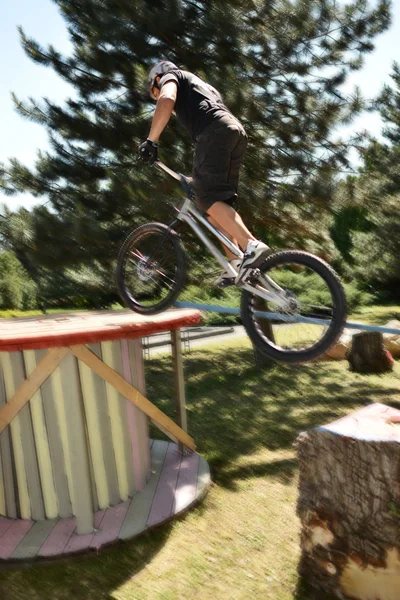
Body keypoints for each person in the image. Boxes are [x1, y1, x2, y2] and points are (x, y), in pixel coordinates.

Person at [138, 60, 269, 286]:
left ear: (158, 79)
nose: (156, 97)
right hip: (234, 132)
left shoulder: (173, 77)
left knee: (206, 198)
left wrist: (151, 141)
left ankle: (250, 245)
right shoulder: (201, 85)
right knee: (215, 207)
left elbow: (167, 99)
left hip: (215, 132)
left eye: (154, 92)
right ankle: (235, 263)